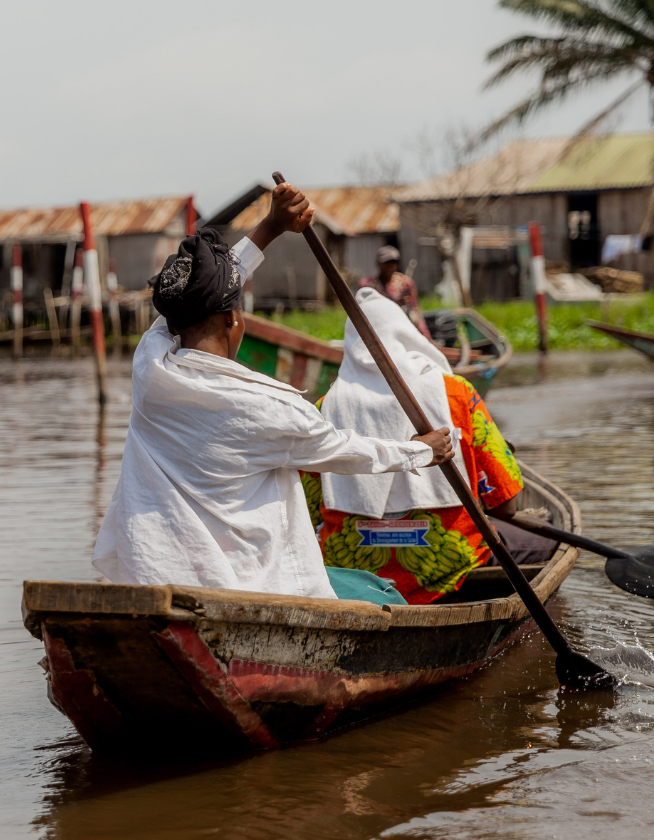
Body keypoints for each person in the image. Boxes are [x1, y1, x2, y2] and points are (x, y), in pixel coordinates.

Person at [91, 182, 454, 601]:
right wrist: (422, 450)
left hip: (153, 575)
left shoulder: (150, 367)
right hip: (253, 588)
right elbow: (349, 451)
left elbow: (207, 293)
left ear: (172, 323)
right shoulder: (269, 409)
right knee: (386, 598)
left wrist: (272, 226)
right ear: (233, 320)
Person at [301, 288, 530, 605]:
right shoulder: (457, 394)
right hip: (451, 570)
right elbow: (506, 505)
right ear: (405, 335)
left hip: (355, 576)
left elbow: (311, 511)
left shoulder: (325, 409)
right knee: (536, 546)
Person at [368, 246, 431, 339]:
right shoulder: (370, 285)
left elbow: (415, 310)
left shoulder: (405, 283)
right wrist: (395, 304)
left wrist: (426, 337)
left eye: (393, 262)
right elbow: (370, 312)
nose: (390, 266)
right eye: (386, 263)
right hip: (380, 327)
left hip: (402, 324)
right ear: (379, 264)